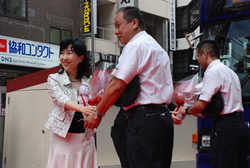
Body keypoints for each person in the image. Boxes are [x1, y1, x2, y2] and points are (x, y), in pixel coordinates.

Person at [85, 6, 174, 168]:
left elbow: (117, 86)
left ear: (134, 23)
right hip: (163, 119)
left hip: (144, 121)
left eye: (118, 25)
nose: (116, 31)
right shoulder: (159, 49)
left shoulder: (135, 45)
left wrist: (97, 114)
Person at [173, 40, 248, 168]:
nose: (198, 61)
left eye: (198, 57)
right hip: (239, 126)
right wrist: (192, 110)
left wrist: (185, 110)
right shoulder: (230, 72)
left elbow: (202, 104)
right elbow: (213, 109)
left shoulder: (213, 71)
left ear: (205, 54)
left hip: (224, 128)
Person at [45, 38, 98, 168]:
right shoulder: (54, 79)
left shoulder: (90, 81)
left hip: (85, 137)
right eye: (62, 53)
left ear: (80, 58)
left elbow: (96, 104)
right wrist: (82, 108)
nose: (64, 57)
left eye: (69, 53)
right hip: (63, 138)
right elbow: (61, 99)